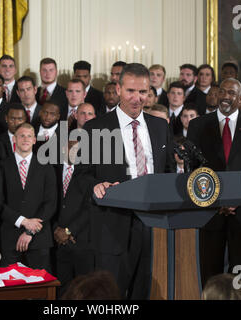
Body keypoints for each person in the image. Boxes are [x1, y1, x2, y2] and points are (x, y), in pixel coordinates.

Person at [80, 63, 174, 299]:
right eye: (131, 91)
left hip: (154, 226)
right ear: (119, 89)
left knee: (147, 293)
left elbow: (169, 173)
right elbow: (82, 176)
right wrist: (95, 186)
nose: (137, 98)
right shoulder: (96, 128)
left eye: (142, 92)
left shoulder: (160, 127)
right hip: (113, 226)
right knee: (110, 295)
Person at [187, 78, 241, 287]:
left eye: (231, 93)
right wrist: (213, 198)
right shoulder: (198, 125)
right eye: (222, 92)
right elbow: (193, 168)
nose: (225, 96)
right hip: (209, 211)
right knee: (209, 271)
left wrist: (239, 198)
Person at [0, 123, 57, 272]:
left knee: (40, 289)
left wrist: (30, 231)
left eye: (29, 136)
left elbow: (51, 203)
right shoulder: (1, 166)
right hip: (10, 237)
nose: (25, 139)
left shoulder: (46, 167)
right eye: (22, 136)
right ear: (14, 139)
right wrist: (23, 222)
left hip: (39, 239)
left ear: (34, 140)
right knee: (11, 288)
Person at [53, 140, 94, 296]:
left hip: (81, 242)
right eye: (69, 147)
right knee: (63, 289)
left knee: (84, 290)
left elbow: (89, 208)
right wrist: (56, 229)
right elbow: (49, 202)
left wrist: (69, 231)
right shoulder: (53, 170)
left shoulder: (89, 175)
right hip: (58, 241)